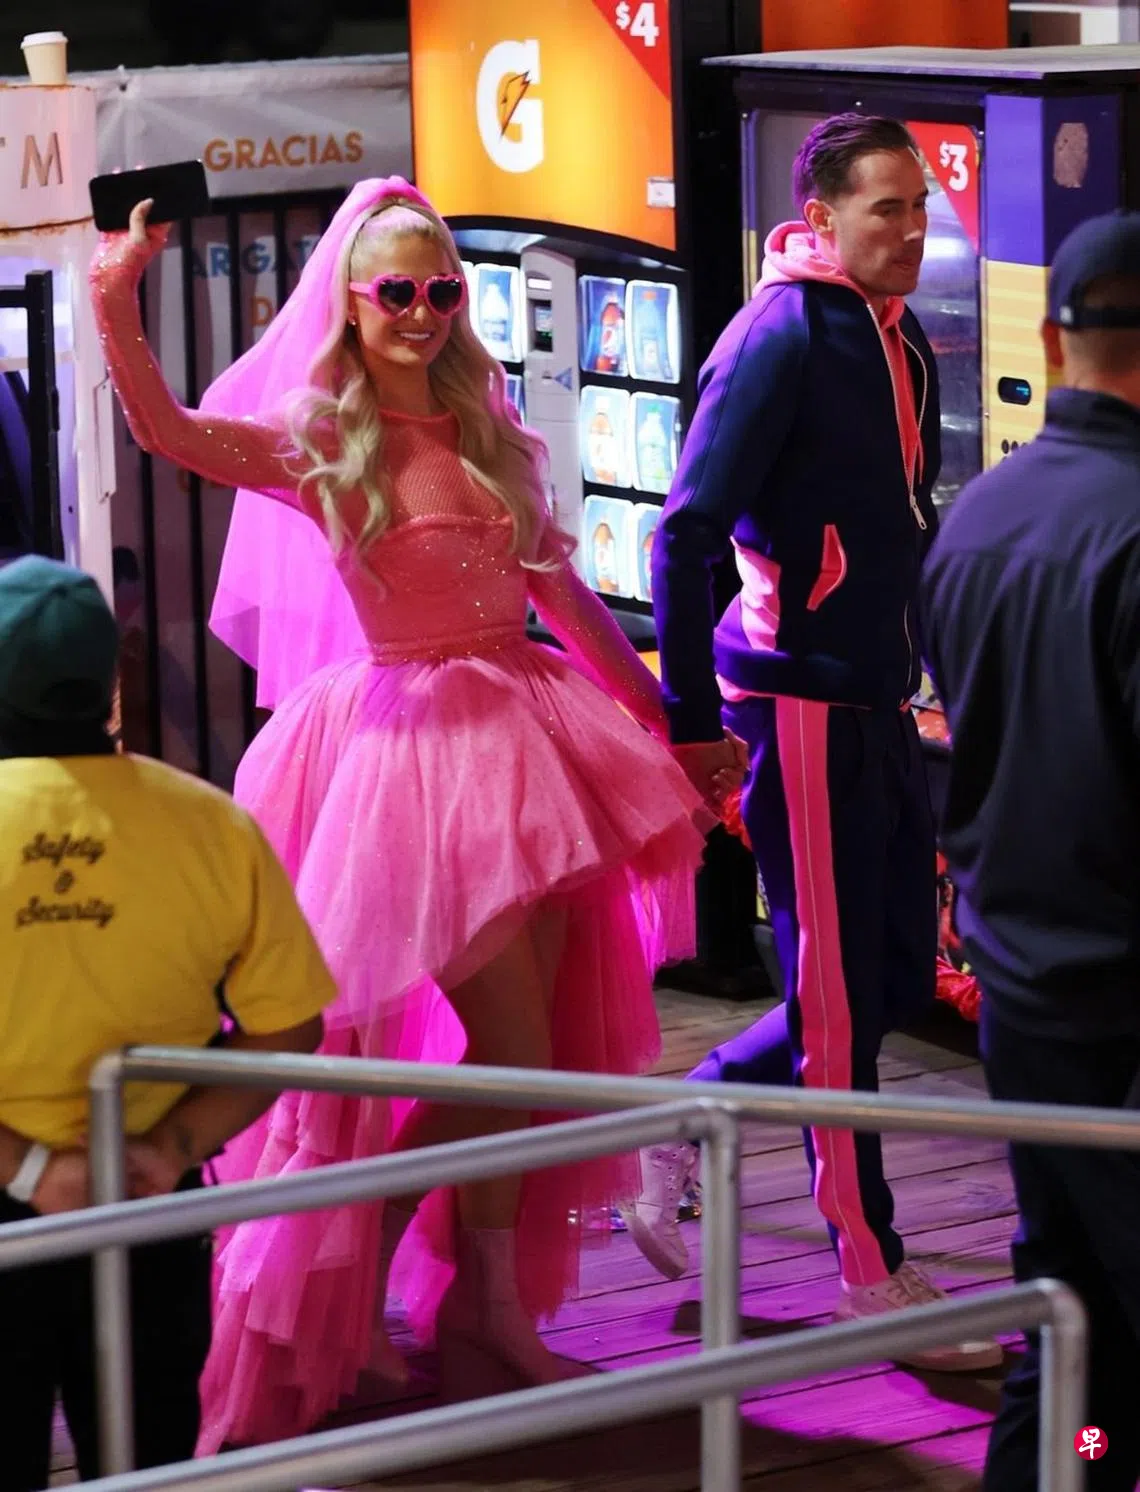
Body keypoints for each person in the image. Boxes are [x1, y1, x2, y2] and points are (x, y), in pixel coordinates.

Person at [89, 176, 728, 1450]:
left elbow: (566, 600)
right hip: (421, 765)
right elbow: (165, 431)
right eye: (398, 291)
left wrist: (668, 722)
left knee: (538, 1055)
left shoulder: (489, 425)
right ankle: (380, 1258)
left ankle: (480, 1309)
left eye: (443, 288)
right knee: (515, 1053)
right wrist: (116, 293)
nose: (425, 311)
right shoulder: (321, 440)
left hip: (537, 747)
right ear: (351, 300)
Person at [623, 113, 1000, 1371]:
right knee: (836, 1009)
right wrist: (689, 726)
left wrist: (940, 680)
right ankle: (867, 1270)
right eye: (889, 208)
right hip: (794, 704)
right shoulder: (778, 335)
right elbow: (684, 532)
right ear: (823, 216)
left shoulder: (898, 334)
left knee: (887, 979)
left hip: (875, 699)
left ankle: (694, 1107)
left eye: (922, 207)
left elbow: (904, 527)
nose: (915, 230)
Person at [0, 554, 331, 1489]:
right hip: (150, 1197)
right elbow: (290, 1028)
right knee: (146, 1465)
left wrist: (31, 1170)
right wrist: (168, 1146)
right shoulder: (209, 823)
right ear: (111, 676)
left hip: (11, 1206)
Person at [920, 212, 1140, 1491]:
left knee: (1066, 1321)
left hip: (1023, 987)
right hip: (1124, 1002)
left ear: (1053, 342)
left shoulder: (981, 514)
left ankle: (1072, 1466)